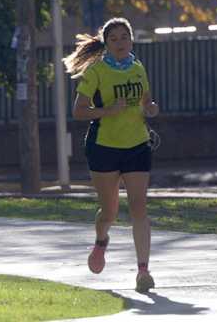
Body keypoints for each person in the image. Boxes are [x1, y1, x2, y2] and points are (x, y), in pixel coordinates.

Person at [64, 17, 159, 293]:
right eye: (114, 38)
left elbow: (145, 102)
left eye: (124, 37)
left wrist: (150, 109)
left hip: (137, 145)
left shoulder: (139, 68)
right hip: (104, 146)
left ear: (132, 40)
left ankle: (143, 272)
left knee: (139, 207)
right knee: (110, 211)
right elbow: (78, 111)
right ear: (106, 43)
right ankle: (101, 241)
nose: (120, 42)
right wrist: (108, 111)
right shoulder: (96, 71)